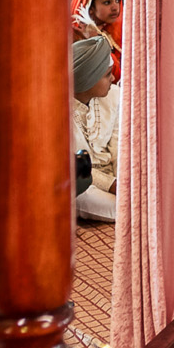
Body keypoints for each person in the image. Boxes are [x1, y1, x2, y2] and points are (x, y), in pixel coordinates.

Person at [71, 35, 119, 223]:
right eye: (107, 75)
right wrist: (112, 184)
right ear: (87, 80)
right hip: (82, 182)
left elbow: (119, 147)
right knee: (78, 193)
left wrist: (126, 180)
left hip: (116, 176)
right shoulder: (56, 110)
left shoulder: (115, 97)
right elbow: (71, 166)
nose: (114, 78)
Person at [73, 0, 123, 81]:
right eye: (107, 2)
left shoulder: (115, 31)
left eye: (117, 0)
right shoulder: (75, 36)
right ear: (90, 8)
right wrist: (93, 42)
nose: (115, 7)